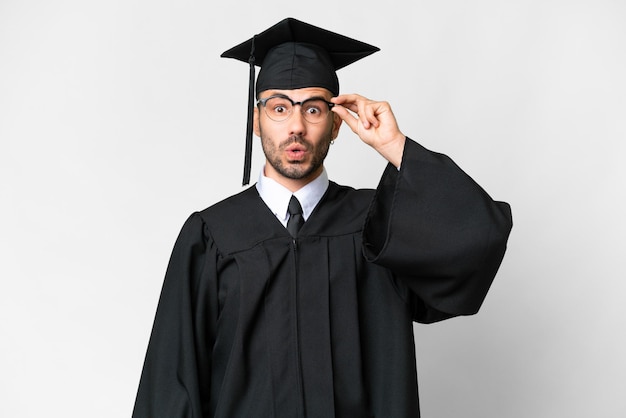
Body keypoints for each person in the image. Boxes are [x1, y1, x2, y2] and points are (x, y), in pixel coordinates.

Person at [132, 18, 513, 418]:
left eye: (313, 109)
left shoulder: (378, 225)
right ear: (256, 121)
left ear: (335, 125)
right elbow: (169, 384)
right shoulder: (211, 235)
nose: (296, 126)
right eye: (279, 108)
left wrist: (395, 147)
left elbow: (477, 239)